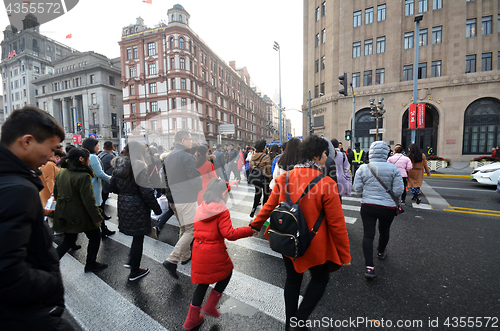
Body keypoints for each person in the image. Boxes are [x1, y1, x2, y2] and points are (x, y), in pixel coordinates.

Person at [250, 135, 351, 331]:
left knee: (292, 279)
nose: (325, 158)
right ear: (315, 156)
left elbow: (269, 207)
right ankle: (299, 321)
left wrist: (255, 226)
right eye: (324, 154)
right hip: (314, 243)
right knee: (320, 278)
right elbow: (337, 225)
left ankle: (291, 323)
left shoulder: (283, 178)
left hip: (288, 239)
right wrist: (345, 255)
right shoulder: (327, 183)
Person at [0, 106, 75, 331]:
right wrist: (50, 281)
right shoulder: (18, 189)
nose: (52, 157)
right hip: (22, 314)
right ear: (27, 141)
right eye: (51, 149)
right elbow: (8, 272)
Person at [183, 178, 256, 330]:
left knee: (202, 284)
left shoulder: (201, 207)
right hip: (214, 251)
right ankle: (210, 305)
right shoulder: (222, 211)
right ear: (223, 194)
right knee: (227, 273)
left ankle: (191, 319)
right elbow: (229, 233)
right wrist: (249, 230)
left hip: (199, 250)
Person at [109, 142, 162, 281]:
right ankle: (134, 271)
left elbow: (112, 186)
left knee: (136, 236)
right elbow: (146, 191)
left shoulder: (118, 165)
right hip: (137, 205)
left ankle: (131, 261)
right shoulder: (139, 165)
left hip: (124, 203)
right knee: (139, 237)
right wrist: (157, 209)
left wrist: (125, 193)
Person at [353, 141, 404, 280]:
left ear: (370, 152)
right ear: (386, 152)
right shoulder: (393, 169)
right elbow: (399, 190)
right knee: (384, 230)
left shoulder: (363, 168)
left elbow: (357, 188)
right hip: (387, 207)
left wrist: (365, 195)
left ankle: (369, 267)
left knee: (368, 235)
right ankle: (381, 252)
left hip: (368, 205)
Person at [53, 148, 108, 272]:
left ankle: (49, 264)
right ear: (81, 159)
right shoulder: (84, 175)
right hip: (81, 214)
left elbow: (56, 192)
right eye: (88, 158)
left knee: (68, 240)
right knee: (94, 236)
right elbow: (88, 200)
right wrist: (97, 217)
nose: (89, 161)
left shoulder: (62, 171)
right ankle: (90, 263)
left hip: (65, 212)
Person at [162, 131, 202, 279]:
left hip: (175, 197)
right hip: (187, 197)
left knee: (184, 228)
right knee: (192, 229)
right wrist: (198, 186)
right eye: (190, 140)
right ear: (183, 140)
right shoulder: (186, 156)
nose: (191, 142)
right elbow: (194, 178)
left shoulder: (169, 156)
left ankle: (185, 256)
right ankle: (172, 260)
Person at [82, 138, 114, 238]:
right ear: (92, 146)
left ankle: (103, 229)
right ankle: (100, 230)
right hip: (94, 187)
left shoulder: (85, 156)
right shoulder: (93, 157)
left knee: (99, 210)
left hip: (88, 185)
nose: (98, 147)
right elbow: (100, 173)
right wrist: (112, 180)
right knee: (98, 209)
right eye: (97, 146)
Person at [249, 139, 272, 218]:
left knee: (257, 194)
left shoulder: (253, 156)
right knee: (266, 195)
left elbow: (250, 167)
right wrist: (270, 179)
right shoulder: (266, 157)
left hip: (256, 178)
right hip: (264, 178)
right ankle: (263, 212)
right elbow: (268, 170)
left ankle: (253, 209)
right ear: (264, 148)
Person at [98, 141, 115, 222]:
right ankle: (102, 215)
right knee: (103, 200)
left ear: (103, 147)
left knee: (101, 201)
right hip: (105, 181)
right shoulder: (111, 156)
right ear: (112, 148)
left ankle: (102, 214)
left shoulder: (100, 155)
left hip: (99, 182)